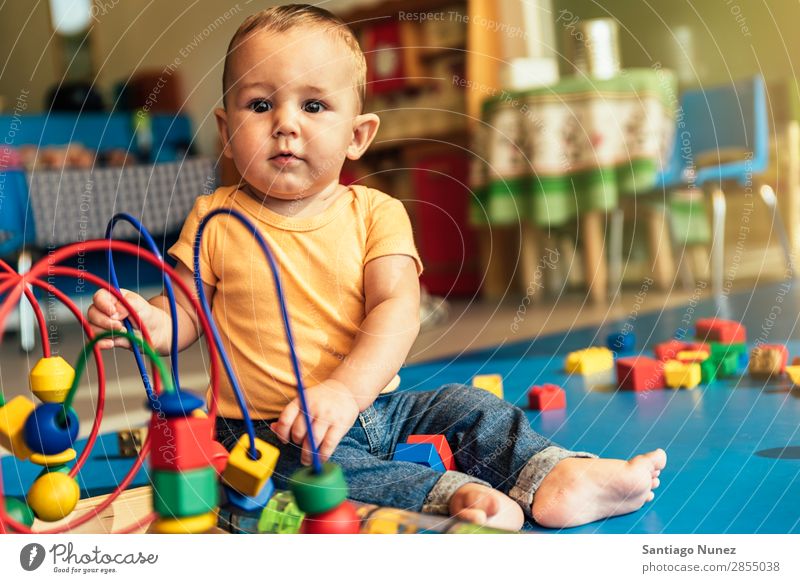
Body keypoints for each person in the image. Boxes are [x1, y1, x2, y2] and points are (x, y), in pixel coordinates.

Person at [88, 4, 666, 530]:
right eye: (260, 105)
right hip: (270, 429)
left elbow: (397, 308)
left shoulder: (376, 213)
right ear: (226, 131)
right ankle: (450, 497)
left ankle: (556, 475)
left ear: (358, 135)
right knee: (298, 479)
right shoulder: (213, 218)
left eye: (313, 105)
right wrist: (148, 321)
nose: (285, 123)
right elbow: (186, 310)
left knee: (471, 407)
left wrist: (345, 391)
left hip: (381, 404)